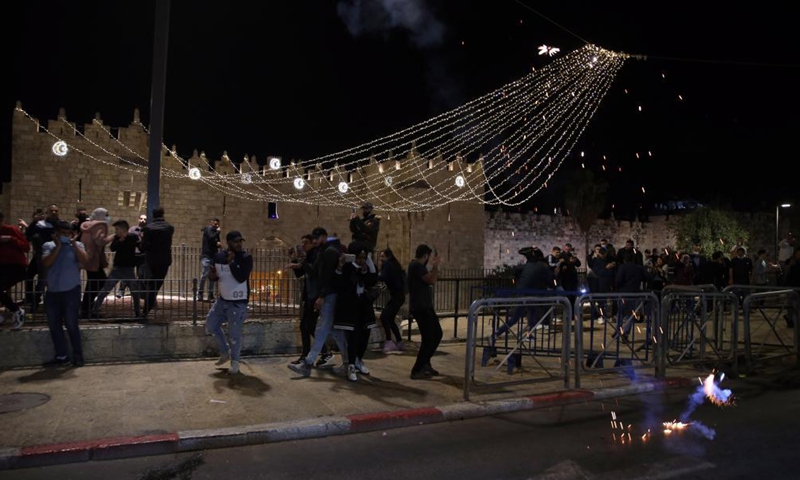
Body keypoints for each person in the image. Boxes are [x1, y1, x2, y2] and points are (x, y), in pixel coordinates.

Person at [288, 227, 349, 377]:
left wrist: (321, 296)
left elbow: (328, 277)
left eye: (317, 238)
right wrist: (300, 262)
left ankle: (308, 363)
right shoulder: (323, 252)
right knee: (335, 332)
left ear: (324, 237)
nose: (314, 241)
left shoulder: (329, 252)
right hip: (327, 295)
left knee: (321, 329)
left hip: (329, 295)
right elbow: (315, 272)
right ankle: (349, 362)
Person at [41, 220, 89, 367]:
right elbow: (47, 262)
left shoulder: (77, 246)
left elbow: (85, 260)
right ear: (56, 234)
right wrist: (58, 246)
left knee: (71, 324)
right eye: (62, 233)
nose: (65, 236)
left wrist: (73, 244)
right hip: (53, 292)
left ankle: (78, 356)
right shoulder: (48, 246)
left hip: (71, 291)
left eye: (67, 234)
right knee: (54, 326)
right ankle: (61, 356)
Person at [205, 231, 253, 375]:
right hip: (223, 300)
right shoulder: (219, 256)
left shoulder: (246, 258)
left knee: (234, 334)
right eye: (235, 241)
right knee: (211, 325)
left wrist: (232, 263)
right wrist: (212, 276)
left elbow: (241, 277)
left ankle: (235, 362)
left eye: (240, 241)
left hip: (238, 303)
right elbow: (215, 276)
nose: (239, 244)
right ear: (228, 242)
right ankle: (225, 351)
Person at [488, 246, 553, 346]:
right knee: (518, 317)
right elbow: (550, 281)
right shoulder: (541, 267)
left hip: (523, 292)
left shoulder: (528, 265)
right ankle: (496, 334)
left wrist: (518, 279)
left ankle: (528, 334)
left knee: (532, 314)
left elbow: (517, 270)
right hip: (528, 294)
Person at [333, 241, 379, 381]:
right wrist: (340, 267)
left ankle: (359, 360)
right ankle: (351, 365)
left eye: (364, 258)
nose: (362, 260)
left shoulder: (365, 268)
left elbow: (372, 280)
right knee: (353, 337)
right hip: (350, 307)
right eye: (359, 257)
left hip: (363, 306)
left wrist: (366, 268)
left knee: (365, 334)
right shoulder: (346, 268)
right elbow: (339, 283)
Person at [285, 234, 332, 365]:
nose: (303, 246)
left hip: (316, 296)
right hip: (309, 295)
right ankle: (312, 354)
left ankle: (321, 353)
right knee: (306, 326)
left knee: (308, 326)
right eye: (302, 243)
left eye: (306, 243)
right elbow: (300, 274)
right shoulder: (310, 256)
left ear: (312, 243)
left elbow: (313, 272)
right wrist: (294, 259)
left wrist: (302, 260)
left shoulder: (317, 255)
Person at [92, 220, 142, 319]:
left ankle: (138, 313)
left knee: (135, 292)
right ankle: (94, 310)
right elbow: (113, 248)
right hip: (117, 269)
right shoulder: (117, 238)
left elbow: (140, 247)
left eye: (117, 229)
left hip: (129, 269)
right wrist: (120, 241)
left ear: (123, 229)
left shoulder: (133, 237)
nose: (116, 231)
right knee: (105, 290)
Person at [408, 244, 442, 380]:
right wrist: (435, 265)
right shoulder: (416, 266)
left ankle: (425, 363)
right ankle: (417, 369)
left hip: (425, 306)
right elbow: (432, 280)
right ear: (426, 256)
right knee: (429, 338)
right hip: (421, 307)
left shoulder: (418, 267)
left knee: (436, 334)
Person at [140, 206, 175, 321]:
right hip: (164, 260)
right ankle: (147, 308)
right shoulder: (169, 228)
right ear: (163, 214)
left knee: (150, 284)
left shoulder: (148, 228)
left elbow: (144, 246)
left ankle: (146, 309)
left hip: (151, 259)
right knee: (156, 285)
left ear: (153, 215)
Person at [24, 205, 58, 312]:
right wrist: (34, 222)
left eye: (56, 211)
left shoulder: (58, 224)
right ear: (47, 212)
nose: (53, 212)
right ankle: (31, 300)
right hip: (40, 255)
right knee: (33, 276)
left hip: (53, 256)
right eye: (51, 210)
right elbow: (29, 235)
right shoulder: (40, 224)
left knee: (44, 280)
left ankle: (37, 303)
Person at [0, 210, 30, 329]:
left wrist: (11, 239)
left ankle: (17, 311)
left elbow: (26, 247)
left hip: (15, 265)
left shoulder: (11, 230)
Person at [79, 208, 110, 319]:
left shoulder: (87, 225)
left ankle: (86, 307)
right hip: (95, 259)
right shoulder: (99, 225)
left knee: (92, 283)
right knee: (100, 282)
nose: (108, 217)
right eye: (106, 215)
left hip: (88, 258)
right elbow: (100, 241)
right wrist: (112, 237)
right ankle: (86, 307)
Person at [378, 248, 406, 353]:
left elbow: (383, 277)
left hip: (396, 297)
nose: (381, 259)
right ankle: (399, 342)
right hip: (399, 296)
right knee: (390, 319)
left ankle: (389, 342)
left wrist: (375, 276)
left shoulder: (387, 265)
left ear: (387, 257)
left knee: (384, 317)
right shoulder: (394, 265)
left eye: (382, 256)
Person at [117, 214, 146, 298]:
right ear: (138, 219)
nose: (143, 220)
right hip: (132, 255)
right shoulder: (133, 229)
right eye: (141, 218)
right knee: (127, 274)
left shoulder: (147, 230)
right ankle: (121, 290)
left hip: (142, 256)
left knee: (141, 275)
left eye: (144, 219)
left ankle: (137, 291)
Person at [197, 217, 221, 302]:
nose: (217, 226)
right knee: (205, 273)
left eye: (218, 224)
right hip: (206, 256)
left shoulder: (216, 232)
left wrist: (218, 244)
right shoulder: (208, 229)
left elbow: (217, 242)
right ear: (211, 223)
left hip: (213, 256)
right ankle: (200, 292)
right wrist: (217, 232)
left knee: (212, 275)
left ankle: (211, 294)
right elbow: (211, 238)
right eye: (215, 224)